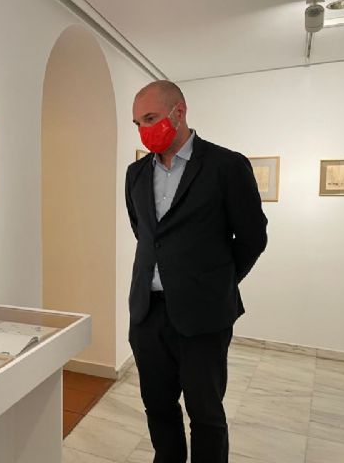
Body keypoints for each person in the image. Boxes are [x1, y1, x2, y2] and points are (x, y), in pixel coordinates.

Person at [125, 80, 267, 463]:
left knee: (205, 414)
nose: (144, 130)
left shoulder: (226, 166)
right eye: (137, 123)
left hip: (204, 315)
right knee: (158, 406)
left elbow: (253, 237)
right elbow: (146, 235)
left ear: (179, 112)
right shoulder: (135, 174)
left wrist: (215, 282)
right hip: (147, 314)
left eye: (150, 118)